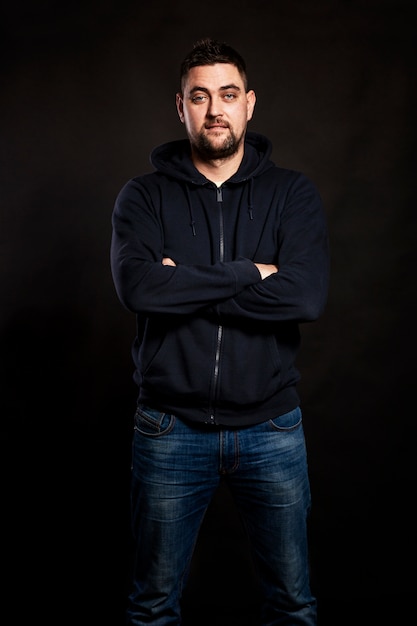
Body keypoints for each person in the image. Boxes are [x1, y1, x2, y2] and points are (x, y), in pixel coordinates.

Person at [110, 37, 330, 626]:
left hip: (271, 428)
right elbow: (139, 289)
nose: (215, 110)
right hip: (169, 429)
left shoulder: (292, 194)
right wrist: (247, 274)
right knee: (152, 607)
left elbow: (304, 296)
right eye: (199, 96)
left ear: (249, 104)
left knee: (292, 603)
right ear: (178, 107)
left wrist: (186, 286)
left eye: (227, 95)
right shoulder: (144, 196)